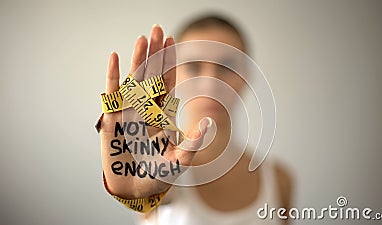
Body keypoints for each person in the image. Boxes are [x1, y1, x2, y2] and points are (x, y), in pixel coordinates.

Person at [97, 15, 293, 225]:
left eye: (226, 67)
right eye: (193, 66)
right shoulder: (162, 173)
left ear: (245, 76)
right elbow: (150, 192)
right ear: (174, 73)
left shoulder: (279, 180)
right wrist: (135, 193)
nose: (210, 84)